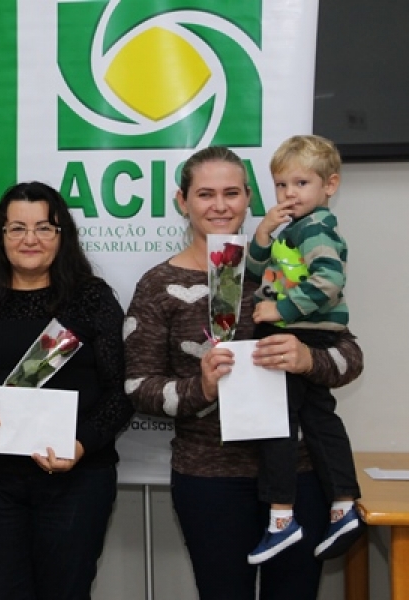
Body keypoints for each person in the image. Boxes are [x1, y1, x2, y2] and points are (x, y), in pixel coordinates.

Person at [124, 146, 364, 600]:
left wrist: (307, 359)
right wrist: (202, 386)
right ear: (182, 201)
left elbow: (350, 356)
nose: (219, 205)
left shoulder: (283, 266)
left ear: (249, 198)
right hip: (211, 479)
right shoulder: (157, 285)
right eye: (205, 194)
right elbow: (138, 387)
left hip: (299, 477)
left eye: (231, 193)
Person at [0, 181, 133, 600]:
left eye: (45, 228)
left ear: (62, 236)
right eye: (17, 229)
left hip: (77, 481)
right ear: (1, 236)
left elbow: (121, 393)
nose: (30, 239)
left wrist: (81, 445)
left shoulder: (92, 300)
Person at [244, 134, 363, 564]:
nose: (289, 194)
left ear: (329, 185)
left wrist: (281, 309)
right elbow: (256, 270)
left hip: (303, 335)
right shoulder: (294, 228)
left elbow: (329, 280)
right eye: (281, 185)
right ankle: (343, 504)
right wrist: (262, 232)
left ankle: (281, 517)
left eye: (300, 184)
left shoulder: (314, 228)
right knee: (319, 421)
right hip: (306, 333)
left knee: (278, 425)